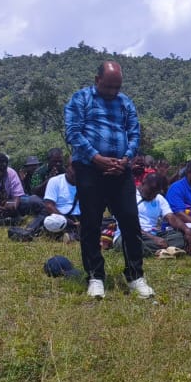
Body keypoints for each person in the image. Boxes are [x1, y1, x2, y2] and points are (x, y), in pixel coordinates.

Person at [64, 61, 154, 299]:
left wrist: (125, 159)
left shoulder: (125, 102)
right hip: (90, 169)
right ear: (97, 80)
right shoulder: (81, 99)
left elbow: (134, 133)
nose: (113, 91)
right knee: (91, 223)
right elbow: (73, 132)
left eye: (117, 87)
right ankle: (95, 276)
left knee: (130, 221)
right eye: (108, 86)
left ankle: (135, 276)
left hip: (120, 170)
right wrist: (96, 158)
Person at [8, 158, 81, 241]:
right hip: (61, 216)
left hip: (81, 217)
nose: (78, 170)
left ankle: (70, 235)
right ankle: (29, 231)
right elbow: (49, 205)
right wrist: (67, 220)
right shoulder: (54, 181)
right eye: (74, 167)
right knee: (49, 218)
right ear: (67, 167)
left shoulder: (87, 182)